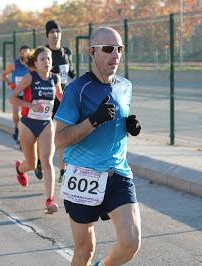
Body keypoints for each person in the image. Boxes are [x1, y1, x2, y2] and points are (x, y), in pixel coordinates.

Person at [54, 27, 142, 266]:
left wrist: (128, 126)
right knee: (84, 250)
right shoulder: (76, 90)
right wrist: (92, 121)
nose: (115, 55)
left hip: (117, 172)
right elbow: (60, 139)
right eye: (108, 49)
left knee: (131, 242)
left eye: (119, 49)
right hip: (84, 175)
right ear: (92, 52)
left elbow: (116, 121)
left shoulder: (125, 86)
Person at [9, 46, 63, 214]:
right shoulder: (29, 78)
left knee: (46, 162)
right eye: (42, 59)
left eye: (48, 59)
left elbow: (61, 97)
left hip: (46, 124)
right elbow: (12, 99)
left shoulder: (55, 79)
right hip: (28, 124)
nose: (46, 62)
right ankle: (20, 168)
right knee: (31, 164)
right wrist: (32, 105)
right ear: (36, 63)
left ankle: (49, 200)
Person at [40, 20, 75, 182]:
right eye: (52, 32)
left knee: (62, 138)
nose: (55, 35)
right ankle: (41, 160)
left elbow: (70, 73)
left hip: (63, 99)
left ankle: (63, 172)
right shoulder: (44, 54)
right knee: (47, 138)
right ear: (47, 35)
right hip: (46, 100)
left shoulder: (67, 52)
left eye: (58, 31)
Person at [2, 45, 31, 149]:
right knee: (16, 116)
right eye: (23, 52)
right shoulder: (14, 64)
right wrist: (10, 83)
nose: (25, 54)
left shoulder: (31, 65)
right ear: (20, 53)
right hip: (17, 94)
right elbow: (4, 74)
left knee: (25, 116)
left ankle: (20, 136)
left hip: (28, 95)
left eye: (27, 52)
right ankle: (16, 129)